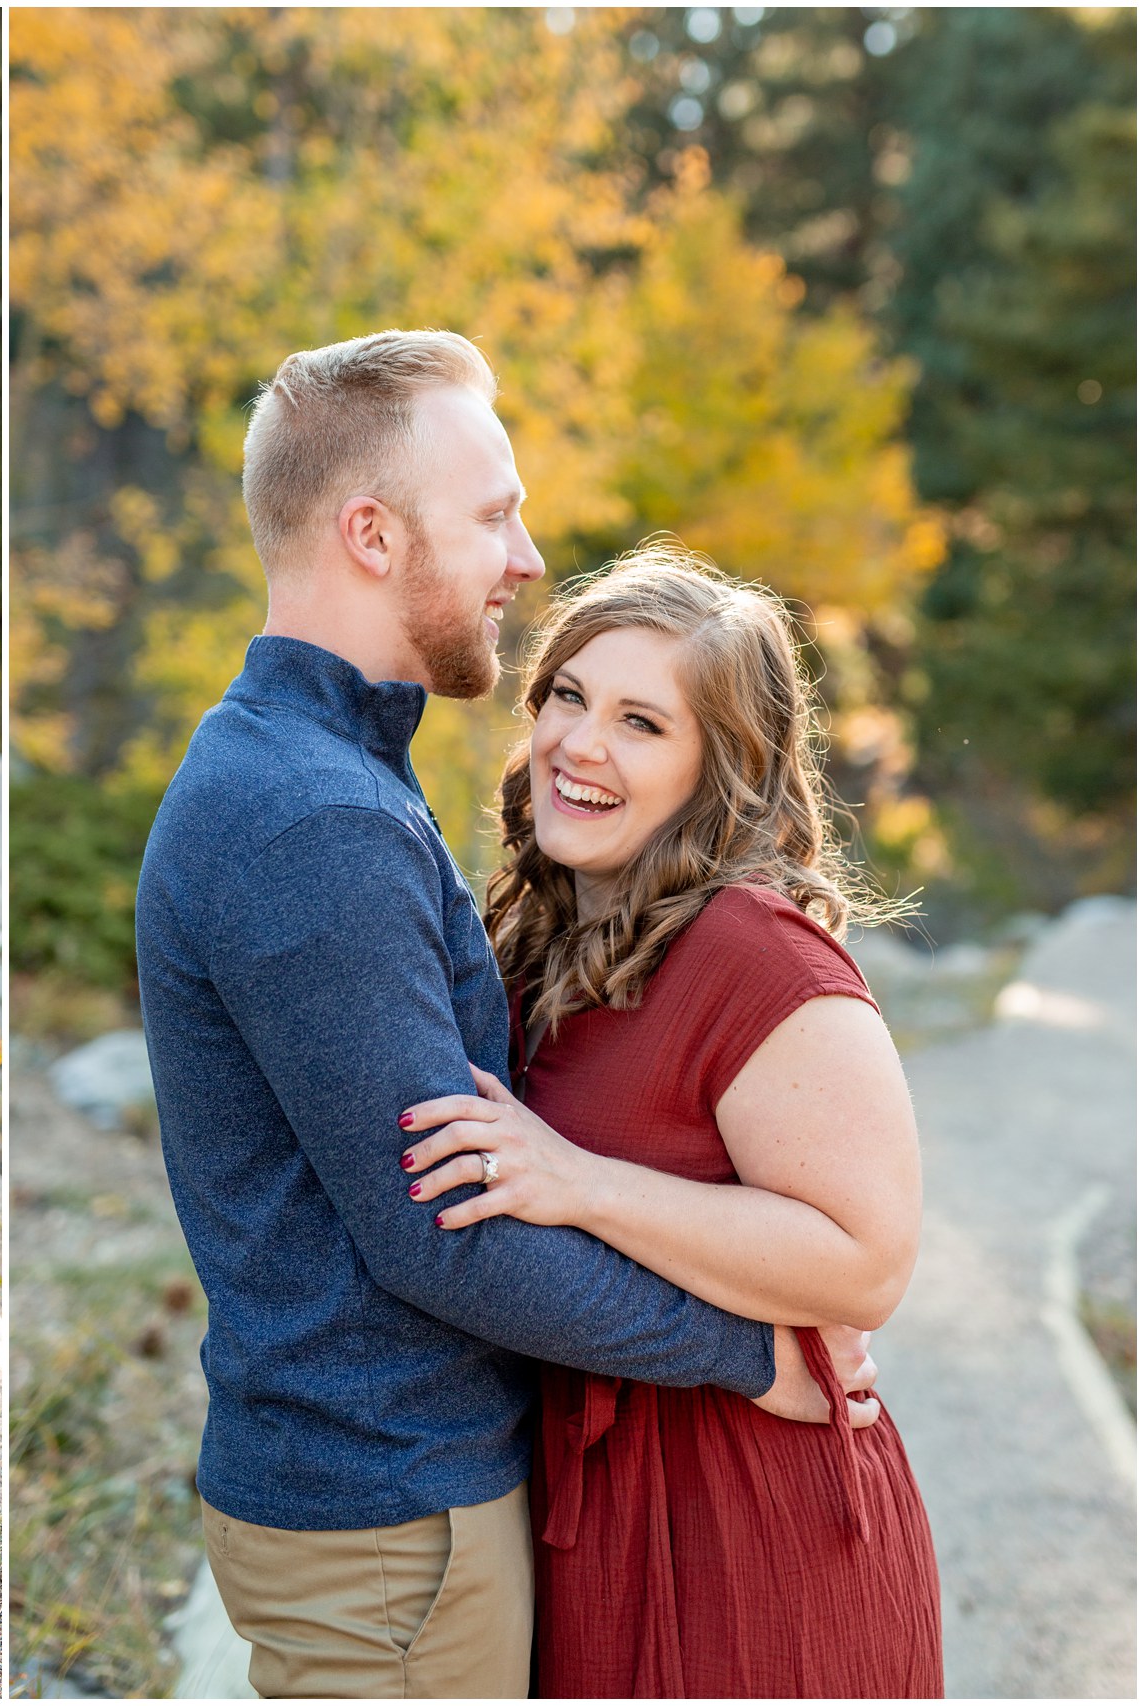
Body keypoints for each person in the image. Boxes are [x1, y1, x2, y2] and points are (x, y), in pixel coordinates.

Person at [133, 331, 874, 1699]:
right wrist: (741, 1350)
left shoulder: (329, 767)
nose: (525, 558)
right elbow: (443, 1232)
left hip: (389, 1503)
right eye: (492, 514)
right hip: (388, 1518)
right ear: (369, 531)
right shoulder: (316, 815)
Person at [397, 546, 942, 1696]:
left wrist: (582, 1181)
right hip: (592, 1515)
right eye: (567, 695)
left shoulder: (756, 953)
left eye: (644, 723)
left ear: (719, 771)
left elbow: (867, 1260)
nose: (580, 744)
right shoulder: (539, 939)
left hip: (756, 1524)